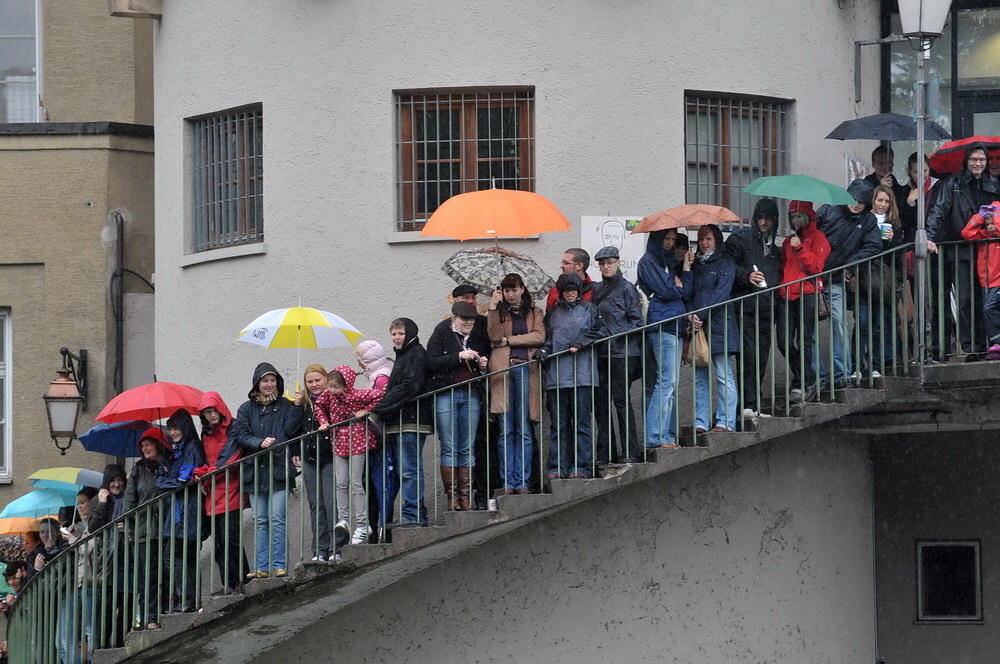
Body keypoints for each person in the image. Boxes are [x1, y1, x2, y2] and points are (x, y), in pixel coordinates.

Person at [220, 362, 303, 579]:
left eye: (272, 380)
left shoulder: (285, 405)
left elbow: (291, 430)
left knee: (277, 518)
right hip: (255, 473)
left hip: (278, 470)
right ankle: (262, 566)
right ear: (257, 383)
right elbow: (241, 435)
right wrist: (259, 442)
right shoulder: (246, 409)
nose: (269, 384)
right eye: (265, 380)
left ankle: (279, 564)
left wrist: (297, 406)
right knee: (260, 520)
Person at [927, 143, 1000, 361]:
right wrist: (929, 236)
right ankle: (954, 347)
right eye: (974, 160)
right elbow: (938, 210)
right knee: (955, 300)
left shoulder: (993, 184)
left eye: (982, 160)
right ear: (966, 161)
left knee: (978, 300)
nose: (978, 164)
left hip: (981, 248)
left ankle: (979, 345)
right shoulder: (953, 183)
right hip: (956, 246)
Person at [817, 179, 883, 388]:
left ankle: (841, 374)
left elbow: (874, 246)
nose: (856, 204)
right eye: (853, 199)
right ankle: (817, 376)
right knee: (809, 331)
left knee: (840, 326)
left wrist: (850, 263)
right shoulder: (828, 210)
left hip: (836, 279)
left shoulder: (868, 220)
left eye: (861, 202)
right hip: (814, 277)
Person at [426, 301, 490, 510]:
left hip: (471, 394)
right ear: (454, 318)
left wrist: (482, 366)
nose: (469, 323)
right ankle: (452, 498)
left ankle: (465, 496)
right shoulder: (441, 332)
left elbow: (482, 365)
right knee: (450, 446)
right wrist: (457, 356)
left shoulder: (478, 334)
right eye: (465, 320)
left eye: (471, 320)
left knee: (467, 447)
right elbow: (431, 363)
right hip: (447, 393)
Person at [370, 319, 433, 526]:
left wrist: (378, 408)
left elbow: (410, 386)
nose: (397, 337)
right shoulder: (403, 355)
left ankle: (413, 515)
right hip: (401, 421)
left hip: (412, 420)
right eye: (394, 334)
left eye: (400, 333)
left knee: (409, 470)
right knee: (404, 470)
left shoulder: (415, 353)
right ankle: (413, 513)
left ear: (410, 333)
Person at [725, 198, 783, 418]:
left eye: (768, 218)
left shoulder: (774, 250)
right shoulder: (741, 239)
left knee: (761, 358)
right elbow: (728, 266)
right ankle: (746, 405)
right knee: (748, 357)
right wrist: (747, 276)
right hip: (747, 308)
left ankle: (754, 404)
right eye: (759, 217)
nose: (763, 222)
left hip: (767, 310)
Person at [487, 273, 545, 493]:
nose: (510, 295)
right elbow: (493, 337)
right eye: (507, 290)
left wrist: (509, 340)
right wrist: (492, 307)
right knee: (505, 430)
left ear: (522, 289)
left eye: (514, 289)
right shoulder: (499, 312)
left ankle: (522, 481)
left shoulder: (534, 312)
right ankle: (507, 482)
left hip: (525, 370)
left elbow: (539, 336)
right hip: (503, 372)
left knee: (523, 429)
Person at [636, 229, 693, 448]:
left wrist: (686, 269)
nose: (669, 243)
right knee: (665, 381)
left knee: (668, 382)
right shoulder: (649, 261)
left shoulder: (668, 262)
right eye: (666, 239)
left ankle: (666, 434)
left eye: (672, 239)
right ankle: (656, 436)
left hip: (673, 324)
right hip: (662, 324)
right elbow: (668, 291)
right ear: (657, 239)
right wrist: (676, 285)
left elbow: (685, 291)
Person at [314, 365, 385, 543]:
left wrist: (366, 411)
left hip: (357, 440)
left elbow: (380, 395)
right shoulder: (328, 396)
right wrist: (324, 421)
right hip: (338, 442)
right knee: (341, 483)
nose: (332, 390)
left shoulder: (357, 395)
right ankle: (343, 519)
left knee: (355, 483)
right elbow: (319, 406)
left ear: (347, 385)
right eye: (330, 386)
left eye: (336, 387)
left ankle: (362, 524)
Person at [539, 273, 599, 478]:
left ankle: (581, 466)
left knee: (582, 423)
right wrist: (544, 351)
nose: (571, 294)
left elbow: (599, 331)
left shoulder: (590, 309)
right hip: (557, 376)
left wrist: (581, 342)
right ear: (562, 293)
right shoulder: (553, 313)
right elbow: (548, 340)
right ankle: (557, 466)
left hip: (583, 374)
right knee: (559, 424)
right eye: (567, 291)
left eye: (574, 290)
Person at [589, 245, 643, 465]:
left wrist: (615, 335)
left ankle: (631, 450)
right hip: (602, 353)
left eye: (609, 262)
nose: (605, 266)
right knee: (601, 404)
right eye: (602, 263)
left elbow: (637, 321)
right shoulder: (598, 289)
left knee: (621, 402)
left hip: (622, 353)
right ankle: (606, 452)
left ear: (618, 262)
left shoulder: (627, 288)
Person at [193, 392, 250, 592]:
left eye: (213, 410)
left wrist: (205, 475)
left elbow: (230, 459)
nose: (212, 415)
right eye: (207, 412)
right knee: (218, 542)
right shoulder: (206, 434)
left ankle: (242, 579)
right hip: (213, 492)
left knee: (231, 538)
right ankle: (229, 583)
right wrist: (199, 473)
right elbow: (209, 463)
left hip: (231, 488)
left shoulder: (234, 428)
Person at [449, 286, 498, 510]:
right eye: (464, 298)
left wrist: (484, 363)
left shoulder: (481, 324)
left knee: (483, 445)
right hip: (457, 394)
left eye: (472, 298)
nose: (469, 301)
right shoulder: (446, 329)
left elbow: (492, 347)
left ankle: (483, 493)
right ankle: (460, 498)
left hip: (480, 393)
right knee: (460, 446)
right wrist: (459, 356)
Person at [776, 201, 830, 402]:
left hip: (807, 294)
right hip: (787, 295)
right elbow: (784, 266)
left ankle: (802, 384)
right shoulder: (788, 241)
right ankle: (807, 377)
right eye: (793, 216)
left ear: (809, 217)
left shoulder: (819, 238)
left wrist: (800, 249)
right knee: (783, 342)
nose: (796, 220)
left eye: (800, 216)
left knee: (805, 341)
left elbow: (816, 268)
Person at [690, 224, 740, 432]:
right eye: (702, 239)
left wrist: (699, 315)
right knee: (701, 377)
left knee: (723, 375)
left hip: (721, 325)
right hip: (700, 328)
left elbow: (721, 293)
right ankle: (701, 422)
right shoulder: (696, 265)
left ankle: (726, 421)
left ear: (717, 240)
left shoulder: (726, 262)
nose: (704, 243)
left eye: (709, 239)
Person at [157, 409, 205, 613]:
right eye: (170, 428)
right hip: (182, 513)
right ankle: (187, 600)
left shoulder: (192, 448)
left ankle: (186, 599)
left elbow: (182, 480)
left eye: (175, 428)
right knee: (186, 558)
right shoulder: (179, 451)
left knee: (173, 556)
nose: (172, 432)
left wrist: (163, 482)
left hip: (186, 513)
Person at [857, 185, 907, 378]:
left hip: (884, 279)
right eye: (880, 200)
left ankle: (877, 364)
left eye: (887, 201)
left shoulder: (894, 223)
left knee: (881, 323)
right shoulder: (864, 219)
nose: (883, 204)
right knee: (862, 323)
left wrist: (892, 240)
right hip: (864, 277)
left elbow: (897, 252)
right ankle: (858, 365)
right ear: (873, 200)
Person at [291, 364, 337, 561]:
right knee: (315, 505)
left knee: (330, 502)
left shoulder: (333, 399)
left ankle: (337, 547)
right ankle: (319, 549)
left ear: (326, 379)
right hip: (310, 458)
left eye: (318, 380)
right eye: (310, 381)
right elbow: (292, 429)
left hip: (330, 456)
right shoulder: (304, 404)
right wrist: (296, 405)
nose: (314, 384)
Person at [124, 429, 168, 630]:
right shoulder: (138, 469)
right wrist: (130, 527)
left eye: (148, 444)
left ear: (158, 444)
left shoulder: (168, 465)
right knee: (146, 576)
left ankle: (166, 610)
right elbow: (129, 500)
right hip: (143, 531)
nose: (145, 448)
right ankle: (149, 617)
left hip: (166, 528)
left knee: (166, 572)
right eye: (142, 446)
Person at [355, 340, 396, 539]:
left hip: (380, 438)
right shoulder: (378, 374)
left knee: (380, 483)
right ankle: (378, 527)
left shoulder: (380, 378)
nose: (359, 363)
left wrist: (366, 412)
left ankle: (382, 528)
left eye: (360, 358)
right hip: (377, 438)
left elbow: (378, 403)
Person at [88, 462, 130, 642]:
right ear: (106, 482)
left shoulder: (130, 498)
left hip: (127, 560)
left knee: (125, 608)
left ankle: (120, 645)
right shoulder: (98, 500)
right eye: (112, 481)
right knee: (105, 610)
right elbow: (93, 529)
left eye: (120, 480)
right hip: (106, 563)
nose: (116, 484)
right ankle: (101, 649)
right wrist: (103, 503)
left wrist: (127, 529)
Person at [960, 201, 1000, 359]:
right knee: (989, 311)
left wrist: (995, 216)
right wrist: (979, 217)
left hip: (998, 281)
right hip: (986, 282)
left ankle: (997, 341)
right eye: (987, 224)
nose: (990, 227)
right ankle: (995, 347)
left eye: (992, 224)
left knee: (988, 309)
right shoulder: (984, 236)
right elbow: (966, 233)